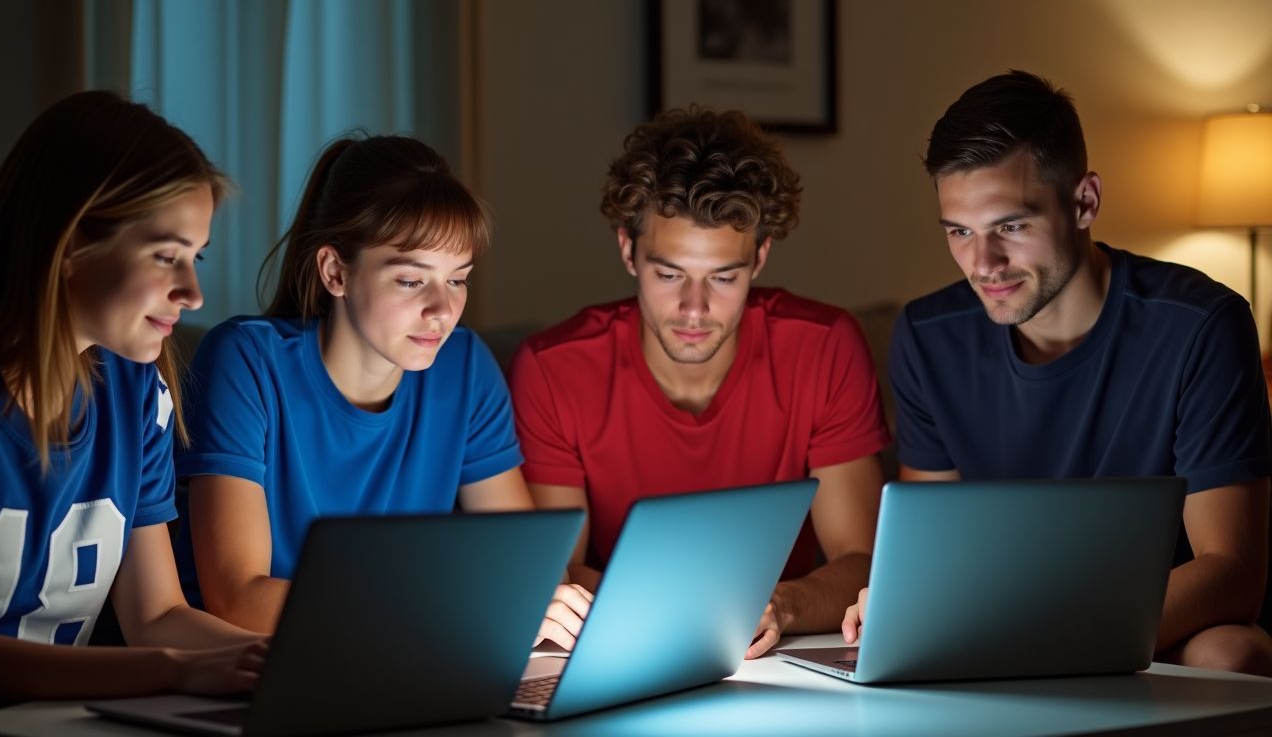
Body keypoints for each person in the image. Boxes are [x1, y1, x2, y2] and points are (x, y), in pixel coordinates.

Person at [842, 71, 1272, 676]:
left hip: (1150, 624)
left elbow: (1232, 573)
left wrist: (1036, 633)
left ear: (1085, 201)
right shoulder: (927, 335)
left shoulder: (1202, 325)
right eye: (960, 232)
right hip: (1000, 626)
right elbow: (928, 552)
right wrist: (907, 605)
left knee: (1234, 650)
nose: (983, 264)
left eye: (1011, 227)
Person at [0, 91, 266, 734]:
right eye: (167, 256)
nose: (193, 292)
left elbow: (158, 613)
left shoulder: (137, 393)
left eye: (196, 258)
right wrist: (168, 670)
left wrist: (266, 661)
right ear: (72, 242)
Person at [509, 107, 890, 659]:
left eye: (723, 277)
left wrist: (780, 605)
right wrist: (705, 612)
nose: (694, 308)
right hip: (618, 653)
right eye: (669, 274)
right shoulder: (553, 369)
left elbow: (861, 561)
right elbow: (556, 576)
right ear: (626, 249)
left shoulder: (825, 346)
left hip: (770, 657)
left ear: (760, 257)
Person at [174, 135, 584, 643]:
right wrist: (447, 609)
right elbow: (238, 600)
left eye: (458, 280)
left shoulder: (465, 366)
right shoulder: (245, 360)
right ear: (335, 271)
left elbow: (530, 568)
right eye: (412, 281)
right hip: (247, 673)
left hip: (403, 658)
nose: (442, 311)